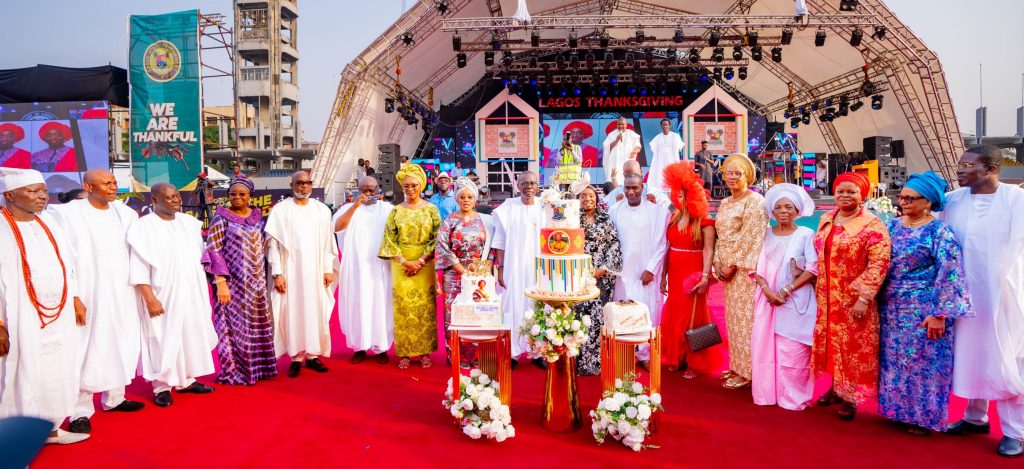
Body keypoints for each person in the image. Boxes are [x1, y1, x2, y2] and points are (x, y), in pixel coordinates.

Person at [940, 145, 1024, 457]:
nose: (960, 170)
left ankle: (1016, 432)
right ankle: (975, 418)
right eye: (959, 164)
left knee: (1007, 358)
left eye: (967, 165)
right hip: (963, 297)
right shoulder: (952, 199)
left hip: (1005, 295)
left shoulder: (1016, 199)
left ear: (990, 169)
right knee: (972, 356)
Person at [49, 169, 144, 434]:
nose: (113, 187)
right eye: (106, 183)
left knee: (121, 341)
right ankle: (80, 410)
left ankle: (115, 397)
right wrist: (75, 296)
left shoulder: (126, 214)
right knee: (86, 347)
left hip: (122, 292)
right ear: (88, 187)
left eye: (114, 182)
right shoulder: (66, 215)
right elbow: (62, 257)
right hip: (87, 292)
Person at [878, 171, 973, 435]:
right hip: (891, 308)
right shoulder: (893, 226)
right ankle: (896, 411)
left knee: (924, 364)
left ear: (928, 202)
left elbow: (951, 272)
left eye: (910, 198)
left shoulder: (939, 231)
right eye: (901, 197)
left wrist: (940, 313)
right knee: (894, 361)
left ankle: (922, 419)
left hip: (924, 310)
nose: (903, 202)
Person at [0, 168, 88, 445]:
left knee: (56, 368)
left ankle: (50, 427)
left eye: (43, 190)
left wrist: (74, 298)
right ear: (9, 195)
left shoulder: (49, 223)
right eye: (33, 191)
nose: (42, 196)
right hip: (15, 317)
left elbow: (67, 264)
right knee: (16, 373)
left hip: (57, 313)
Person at [127, 183, 218, 407]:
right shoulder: (143, 228)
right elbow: (138, 268)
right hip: (162, 293)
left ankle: (186, 380)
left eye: (177, 196)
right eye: (169, 198)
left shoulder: (188, 223)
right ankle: (161, 386)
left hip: (192, 292)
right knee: (162, 339)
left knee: (190, 334)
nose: (176, 200)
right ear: (155, 200)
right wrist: (149, 298)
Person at [812, 172, 891, 420]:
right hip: (827, 295)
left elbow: (879, 263)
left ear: (862, 195)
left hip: (853, 298)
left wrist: (863, 298)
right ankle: (836, 388)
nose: (845, 196)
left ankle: (850, 396)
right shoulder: (827, 218)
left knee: (853, 346)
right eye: (841, 191)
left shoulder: (872, 225)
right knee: (832, 343)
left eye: (851, 192)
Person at [203, 175, 278, 385]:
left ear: (250, 196)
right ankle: (235, 371)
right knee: (232, 328)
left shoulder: (258, 217)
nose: (236, 197)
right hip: (231, 285)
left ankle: (260, 369)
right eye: (233, 194)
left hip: (257, 285)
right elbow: (213, 251)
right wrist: (220, 282)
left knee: (257, 324)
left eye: (242, 194)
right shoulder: (221, 218)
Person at [750, 184, 818, 410]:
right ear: (772, 212)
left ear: (797, 210)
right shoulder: (765, 234)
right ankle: (769, 394)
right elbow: (755, 267)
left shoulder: (805, 234)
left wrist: (787, 290)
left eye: (789, 207)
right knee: (768, 350)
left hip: (797, 302)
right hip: (767, 301)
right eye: (778, 207)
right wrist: (767, 290)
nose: (783, 211)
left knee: (793, 354)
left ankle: (794, 399)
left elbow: (812, 268)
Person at [265, 171, 338, 378]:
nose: (303, 187)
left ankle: (313, 355)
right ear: (292, 185)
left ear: (311, 185)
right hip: (291, 272)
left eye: (307, 183)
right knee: (292, 311)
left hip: (315, 272)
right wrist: (277, 273)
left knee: (316, 310)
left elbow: (327, 244)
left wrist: (327, 269)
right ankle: (296, 357)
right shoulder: (280, 211)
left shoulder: (322, 211)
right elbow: (274, 246)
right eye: (299, 183)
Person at [714, 153, 769, 390]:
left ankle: (749, 371)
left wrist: (732, 264)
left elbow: (751, 237)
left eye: (738, 173)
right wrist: (717, 262)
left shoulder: (755, 202)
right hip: (726, 271)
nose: (733, 177)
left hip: (744, 271)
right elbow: (720, 236)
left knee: (747, 321)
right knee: (734, 321)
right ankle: (737, 365)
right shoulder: (725, 203)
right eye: (729, 172)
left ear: (748, 176)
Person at [378, 163, 442, 369]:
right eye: (406, 186)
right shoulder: (396, 211)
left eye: (414, 185)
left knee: (425, 308)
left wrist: (421, 261)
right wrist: (405, 261)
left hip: (426, 263)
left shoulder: (431, 210)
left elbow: (437, 239)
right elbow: (389, 239)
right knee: (403, 308)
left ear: (421, 185)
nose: (410, 189)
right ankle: (405, 352)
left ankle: (425, 352)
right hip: (401, 263)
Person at [660, 162, 718, 379]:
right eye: (678, 194)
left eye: (683, 195)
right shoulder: (674, 218)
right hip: (675, 272)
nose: (679, 198)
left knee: (694, 315)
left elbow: (709, 251)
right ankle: (679, 356)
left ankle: (696, 361)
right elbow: (668, 249)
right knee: (675, 314)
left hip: (694, 272)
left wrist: (705, 277)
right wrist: (664, 276)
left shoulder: (705, 221)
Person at [610, 174, 670, 369]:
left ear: (642, 187)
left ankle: (644, 353)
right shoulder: (614, 210)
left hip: (645, 272)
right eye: (627, 188)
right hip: (622, 274)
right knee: (623, 310)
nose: (631, 191)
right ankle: (624, 351)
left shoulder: (657, 212)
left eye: (635, 187)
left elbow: (662, 243)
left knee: (647, 310)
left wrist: (651, 269)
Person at [334, 176, 394, 365]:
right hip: (356, 267)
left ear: (379, 190)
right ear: (357, 190)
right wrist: (355, 206)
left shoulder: (387, 209)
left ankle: (381, 347)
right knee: (357, 304)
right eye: (365, 190)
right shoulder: (347, 209)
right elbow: (337, 228)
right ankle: (359, 347)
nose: (369, 194)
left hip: (381, 266)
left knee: (380, 304)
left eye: (373, 189)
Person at [435, 177, 489, 368]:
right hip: (454, 275)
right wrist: (461, 269)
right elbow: (441, 247)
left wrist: (479, 270)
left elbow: (490, 248)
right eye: (462, 197)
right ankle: (455, 356)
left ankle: (476, 356)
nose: (466, 200)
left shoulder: (485, 220)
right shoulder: (449, 221)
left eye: (469, 197)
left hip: (478, 276)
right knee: (454, 315)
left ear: (475, 199)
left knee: (477, 313)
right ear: (457, 199)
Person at [491, 171, 543, 367]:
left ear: (538, 186)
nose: (528, 187)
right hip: (514, 265)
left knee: (537, 306)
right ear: (517, 186)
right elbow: (500, 241)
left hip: (539, 268)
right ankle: (512, 353)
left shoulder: (546, 207)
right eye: (524, 183)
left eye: (532, 183)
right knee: (512, 306)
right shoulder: (507, 208)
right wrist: (501, 268)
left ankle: (537, 352)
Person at [573, 185, 622, 376]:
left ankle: (593, 363)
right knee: (578, 318)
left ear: (596, 197)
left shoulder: (605, 218)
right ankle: (575, 360)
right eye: (583, 196)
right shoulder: (572, 219)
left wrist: (602, 269)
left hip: (600, 278)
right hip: (577, 278)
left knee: (596, 318)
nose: (587, 199)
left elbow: (614, 244)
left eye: (590, 195)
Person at [602, 160, 669, 208]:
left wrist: (654, 207)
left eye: (634, 175)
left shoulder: (653, 192)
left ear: (641, 172)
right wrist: (618, 206)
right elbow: (603, 208)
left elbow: (667, 209)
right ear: (623, 175)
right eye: (628, 175)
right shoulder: (617, 193)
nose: (632, 179)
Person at [647, 119, 685, 193]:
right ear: (661, 126)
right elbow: (653, 148)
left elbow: (680, 147)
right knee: (660, 179)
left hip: (672, 162)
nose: (665, 126)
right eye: (663, 125)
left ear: (669, 126)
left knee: (673, 181)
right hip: (660, 163)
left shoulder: (675, 136)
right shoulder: (657, 138)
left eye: (666, 125)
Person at [602, 116, 641, 186]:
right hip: (615, 161)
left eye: (622, 124)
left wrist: (634, 152)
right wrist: (616, 140)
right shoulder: (612, 134)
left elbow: (638, 147)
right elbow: (607, 147)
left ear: (626, 124)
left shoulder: (631, 134)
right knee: (615, 178)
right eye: (619, 124)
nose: (620, 126)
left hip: (627, 160)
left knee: (628, 178)